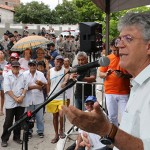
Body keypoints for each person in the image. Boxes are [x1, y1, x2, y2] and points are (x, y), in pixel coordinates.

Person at [62, 12, 150, 150]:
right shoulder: (140, 84)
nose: (119, 44)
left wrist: (105, 129)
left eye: (129, 38)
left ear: (148, 46)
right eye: (120, 39)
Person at [99, 38, 131, 126]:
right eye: (113, 50)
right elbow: (100, 73)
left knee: (126, 116)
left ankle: (125, 134)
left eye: (117, 50)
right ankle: (114, 136)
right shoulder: (107, 58)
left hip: (123, 92)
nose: (115, 53)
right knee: (112, 116)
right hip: (110, 92)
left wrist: (124, 76)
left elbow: (132, 74)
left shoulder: (127, 57)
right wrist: (106, 74)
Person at [1, 61, 28, 147]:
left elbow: (25, 87)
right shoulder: (7, 76)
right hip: (11, 102)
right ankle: (4, 139)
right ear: (11, 67)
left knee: (19, 120)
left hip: (21, 101)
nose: (16, 68)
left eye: (17, 67)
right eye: (14, 67)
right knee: (8, 121)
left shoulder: (23, 75)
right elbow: (7, 89)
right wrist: (16, 98)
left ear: (19, 67)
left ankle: (16, 137)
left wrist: (22, 96)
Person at [46, 55, 69, 144]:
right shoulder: (50, 71)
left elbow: (67, 77)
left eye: (60, 61)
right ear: (54, 61)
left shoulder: (65, 70)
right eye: (57, 61)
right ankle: (56, 134)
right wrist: (48, 93)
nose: (59, 63)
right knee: (55, 116)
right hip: (52, 97)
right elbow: (48, 83)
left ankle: (61, 130)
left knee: (61, 114)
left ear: (62, 63)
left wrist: (65, 82)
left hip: (62, 97)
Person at [23, 60, 47, 138]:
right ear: (29, 66)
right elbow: (24, 87)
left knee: (40, 117)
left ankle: (40, 131)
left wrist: (41, 84)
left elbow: (45, 85)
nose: (32, 66)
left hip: (39, 99)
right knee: (29, 117)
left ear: (36, 66)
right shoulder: (24, 74)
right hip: (28, 100)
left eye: (34, 65)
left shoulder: (40, 74)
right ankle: (29, 131)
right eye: (31, 65)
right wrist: (36, 86)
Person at [0, 50, 7, 115]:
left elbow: (7, 71)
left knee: (2, 95)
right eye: (0, 53)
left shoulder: (6, 63)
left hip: (3, 80)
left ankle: (1, 109)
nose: (1, 54)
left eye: (2, 53)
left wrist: (2, 72)